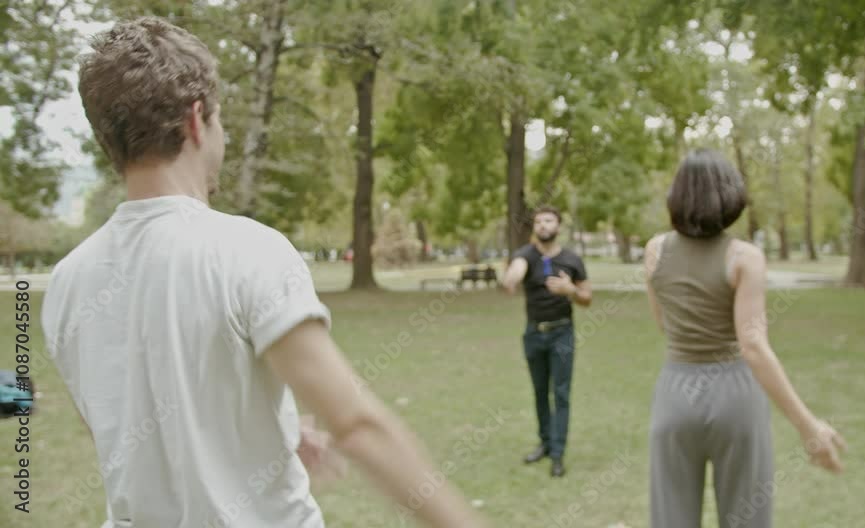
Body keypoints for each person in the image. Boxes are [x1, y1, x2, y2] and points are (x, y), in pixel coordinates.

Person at [40, 17, 487, 528]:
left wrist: (276, 436)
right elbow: (357, 424)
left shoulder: (67, 283)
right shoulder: (248, 250)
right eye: (220, 120)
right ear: (196, 119)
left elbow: (126, 431)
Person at [643, 148, 846, 527]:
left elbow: (664, 326)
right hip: (735, 393)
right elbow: (752, 345)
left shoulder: (655, 250)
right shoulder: (744, 257)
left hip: (675, 392)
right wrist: (808, 426)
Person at [502, 205, 592, 477]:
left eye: (548, 220)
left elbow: (587, 298)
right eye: (538, 221)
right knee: (540, 391)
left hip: (562, 333)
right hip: (534, 334)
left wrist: (570, 290)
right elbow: (514, 273)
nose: (543, 225)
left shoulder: (572, 260)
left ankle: (557, 453)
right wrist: (512, 277)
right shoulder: (525, 255)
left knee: (561, 393)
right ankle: (544, 442)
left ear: (558, 226)